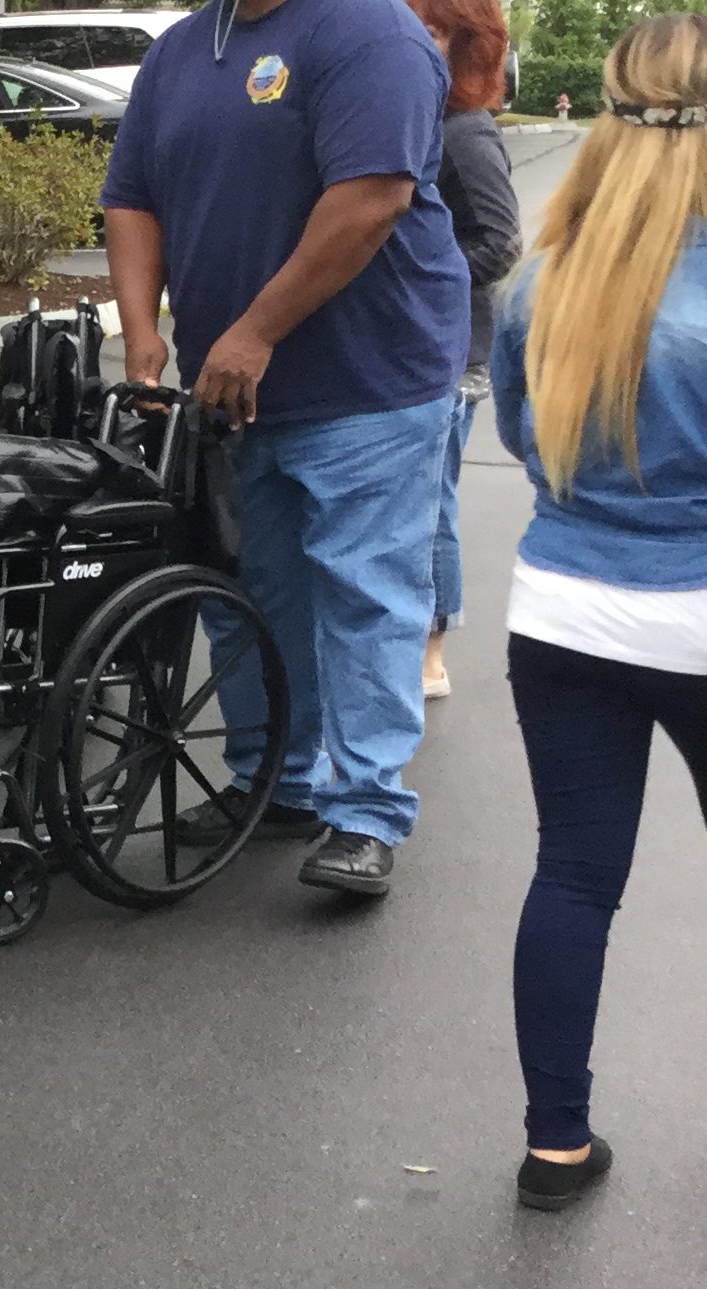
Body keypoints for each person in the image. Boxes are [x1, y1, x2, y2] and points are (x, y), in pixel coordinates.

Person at [100, 0, 471, 896]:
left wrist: (257, 330)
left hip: (367, 379)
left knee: (364, 591)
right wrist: (143, 333)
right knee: (246, 591)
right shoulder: (186, 49)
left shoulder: (368, 33)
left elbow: (372, 197)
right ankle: (277, 782)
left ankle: (366, 812)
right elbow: (132, 196)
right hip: (229, 390)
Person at [489, 13, 707, 1210]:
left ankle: (554, 1145)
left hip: (564, 605)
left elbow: (528, 442)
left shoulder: (547, 273)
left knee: (573, 873)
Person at [407, 0, 523, 699]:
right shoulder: (420, 118)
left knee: (432, 503)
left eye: (433, 30)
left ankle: (432, 650)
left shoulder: (465, 130)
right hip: (416, 344)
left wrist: (420, 271)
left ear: (467, 46)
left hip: (453, 350)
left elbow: (502, 242)